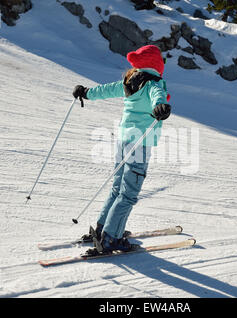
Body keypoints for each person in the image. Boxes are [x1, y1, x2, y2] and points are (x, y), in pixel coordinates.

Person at [72, 45, 171, 253]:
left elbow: (106, 89)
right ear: (156, 63)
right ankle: (111, 238)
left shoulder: (130, 81)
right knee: (128, 193)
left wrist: (86, 93)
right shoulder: (154, 83)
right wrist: (160, 106)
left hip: (124, 140)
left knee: (117, 187)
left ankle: (102, 229)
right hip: (141, 142)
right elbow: (157, 97)